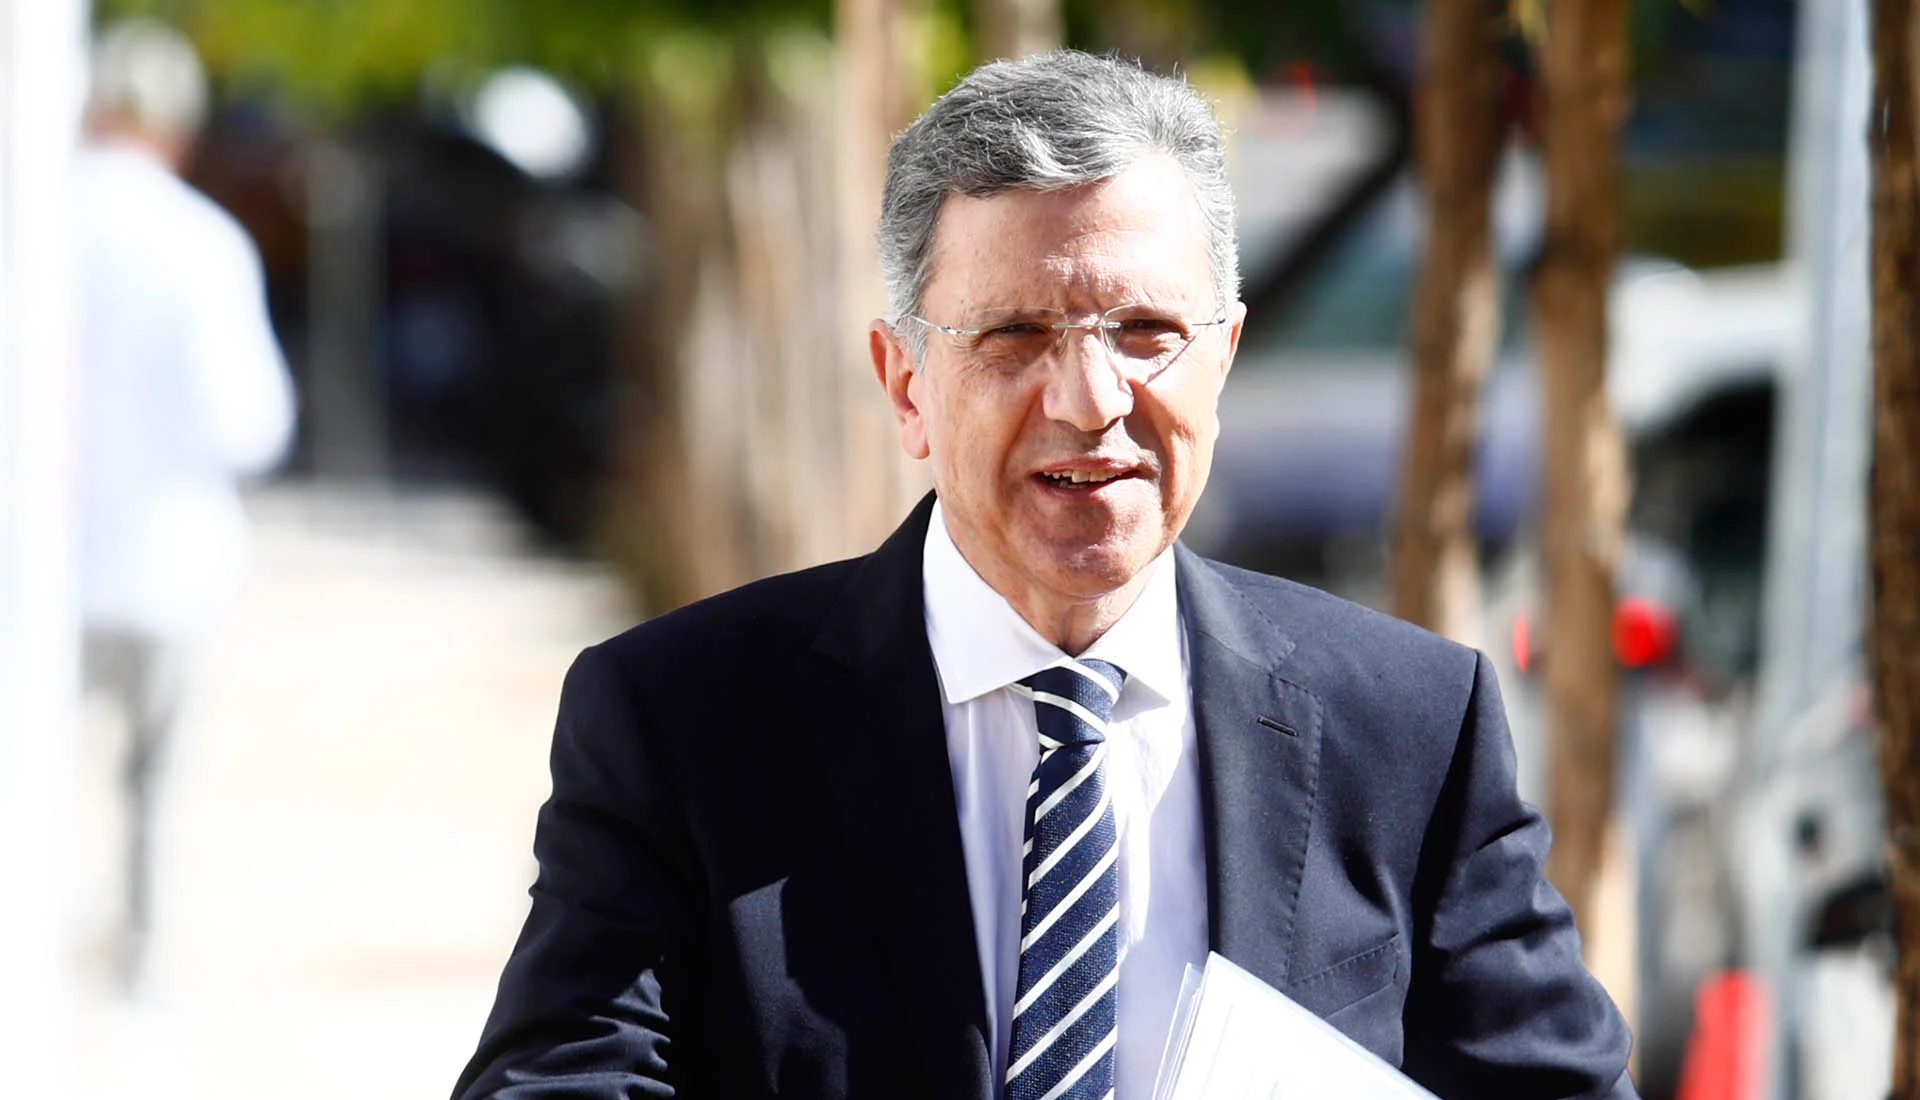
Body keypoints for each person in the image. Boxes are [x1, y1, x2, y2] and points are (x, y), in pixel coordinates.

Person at [454, 51, 1636, 1100]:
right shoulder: (681, 719)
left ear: (1221, 357)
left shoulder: (1410, 727)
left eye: (1144, 331)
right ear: (906, 383)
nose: (1090, 399)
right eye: (1016, 335)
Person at [74, 16, 296, 989]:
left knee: (34, 770)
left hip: (43, 562)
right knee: (156, 784)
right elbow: (250, 424)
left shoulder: (31, 224)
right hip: (168, 558)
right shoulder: (203, 243)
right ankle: (141, 968)